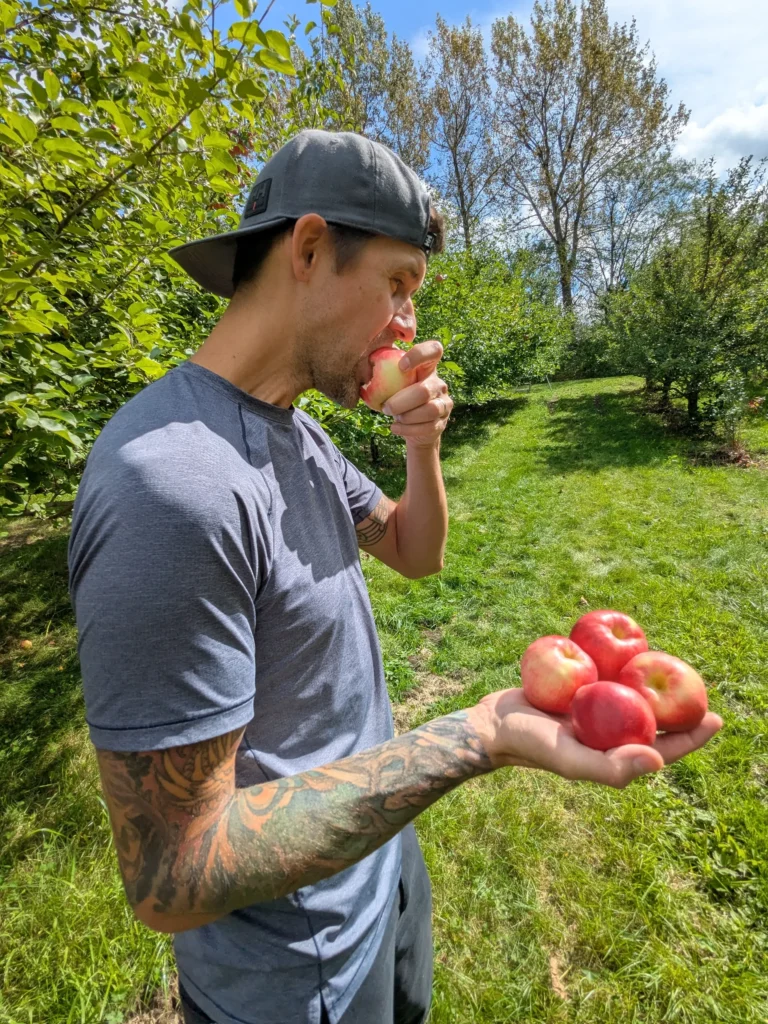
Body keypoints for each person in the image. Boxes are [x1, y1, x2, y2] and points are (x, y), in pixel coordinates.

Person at [67, 130, 722, 1024]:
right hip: (298, 972)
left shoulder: (301, 433)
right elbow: (171, 874)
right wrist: (476, 737)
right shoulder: (172, 485)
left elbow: (416, 551)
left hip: (378, 870)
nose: (411, 327)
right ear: (306, 249)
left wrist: (424, 447)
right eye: (399, 284)